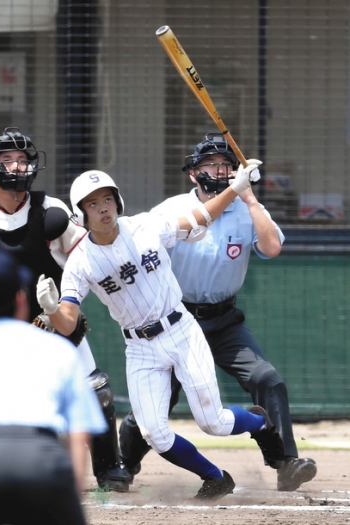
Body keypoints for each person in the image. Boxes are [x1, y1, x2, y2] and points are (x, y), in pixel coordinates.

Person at [36, 166, 285, 502]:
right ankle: (214, 477)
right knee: (155, 434)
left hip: (180, 330)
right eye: (93, 204)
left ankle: (259, 425)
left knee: (214, 423)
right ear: (81, 213)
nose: (103, 207)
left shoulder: (146, 226)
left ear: (118, 202)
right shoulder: (80, 262)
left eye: (107, 199)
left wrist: (235, 188)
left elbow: (200, 217)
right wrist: (51, 308)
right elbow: (67, 323)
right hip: (140, 348)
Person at [119, 132, 317, 492]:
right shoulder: (173, 209)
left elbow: (271, 247)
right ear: (194, 174)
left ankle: (286, 462)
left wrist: (249, 196)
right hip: (176, 321)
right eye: (211, 165)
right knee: (153, 406)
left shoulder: (246, 209)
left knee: (267, 379)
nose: (221, 170)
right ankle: (121, 467)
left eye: (226, 165)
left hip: (224, 320)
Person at [0, 127, 131, 492]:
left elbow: (84, 262)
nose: (18, 167)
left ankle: (110, 472)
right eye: (8, 161)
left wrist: (66, 309)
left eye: (23, 160)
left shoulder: (52, 211)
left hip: (56, 322)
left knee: (95, 389)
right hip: (2, 329)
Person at [0, 249, 107, 525]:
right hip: (42, 462)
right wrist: (68, 495)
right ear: (21, 300)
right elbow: (80, 432)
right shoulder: (56, 348)